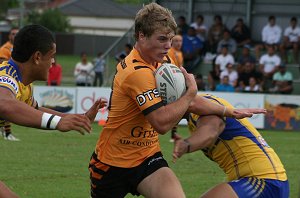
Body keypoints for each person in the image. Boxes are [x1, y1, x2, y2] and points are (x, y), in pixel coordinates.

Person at [88, 3, 266, 198]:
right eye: (162, 39)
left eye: (171, 39)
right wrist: (190, 94)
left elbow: (189, 101)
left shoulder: (163, 62)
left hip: (147, 157)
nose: (168, 46)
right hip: (111, 164)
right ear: (141, 36)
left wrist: (228, 111)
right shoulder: (136, 72)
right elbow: (162, 123)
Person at [0, 24, 107, 198]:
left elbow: (33, 110)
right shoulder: (6, 76)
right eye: (52, 56)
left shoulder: (22, 83)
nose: (53, 62)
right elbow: (4, 103)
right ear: (37, 57)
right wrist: (58, 122)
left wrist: (75, 118)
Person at [173, 94, 289, 198]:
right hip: (263, 180)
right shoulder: (196, 114)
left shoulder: (202, 107)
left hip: (263, 181)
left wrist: (186, 145)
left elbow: (211, 130)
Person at [0, 27, 19, 141]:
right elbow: (3, 64)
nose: (15, 36)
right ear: (9, 36)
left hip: (14, 80)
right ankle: (7, 133)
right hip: (5, 80)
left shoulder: (19, 49)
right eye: (13, 34)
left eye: (17, 34)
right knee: (8, 105)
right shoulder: (5, 48)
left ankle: (5, 132)